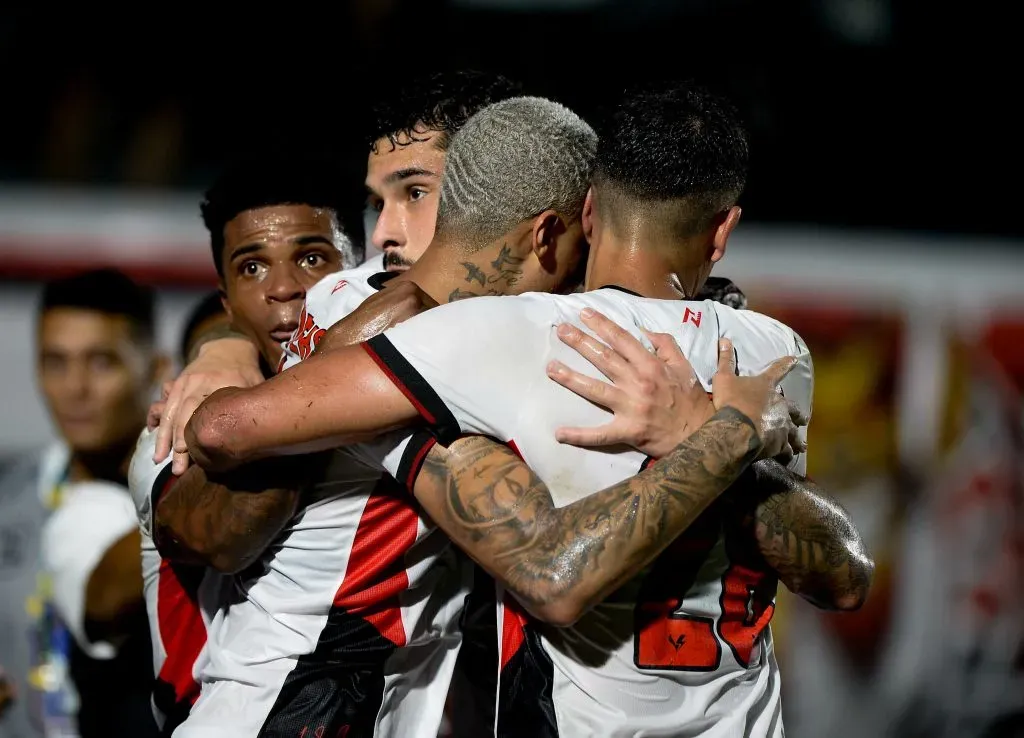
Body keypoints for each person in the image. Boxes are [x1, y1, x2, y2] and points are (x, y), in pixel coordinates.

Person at [180, 89, 872, 736]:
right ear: (721, 229)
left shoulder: (485, 336)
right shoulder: (772, 350)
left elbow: (226, 427)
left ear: (587, 214)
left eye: (415, 193)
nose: (388, 230)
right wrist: (221, 348)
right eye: (382, 200)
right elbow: (844, 578)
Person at [129, 157, 362, 736]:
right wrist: (332, 373)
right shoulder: (175, 424)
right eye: (252, 267)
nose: (283, 287)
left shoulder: (411, 398)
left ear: (361, 270)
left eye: (311, 258)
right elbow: (222, 537)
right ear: (227, 302)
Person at [18, 269, 165, 738]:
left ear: (157, 370)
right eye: (55, 362)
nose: (74, 388)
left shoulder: (190, 493)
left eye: (101, 362)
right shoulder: (7, 493)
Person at [365, 69, 523, 272]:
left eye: (415, 193)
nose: (381, 236)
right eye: (379, 205)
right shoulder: (338, 298)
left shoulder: (567, 303)